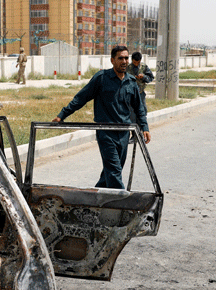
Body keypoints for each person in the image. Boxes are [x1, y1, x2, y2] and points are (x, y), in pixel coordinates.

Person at [52, 45, 151, 189]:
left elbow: (139, 108)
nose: (124, 61)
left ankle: (95, 198)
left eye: (126, 58)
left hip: (124, 133)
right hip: (106, 133)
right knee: (115, 170)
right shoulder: (101, 78)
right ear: (112, 60)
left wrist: (144, 127)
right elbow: (81, 98)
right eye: (120, 58)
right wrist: (62, 115)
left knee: (110, 172)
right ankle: (121, 204)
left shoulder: (131, 82)